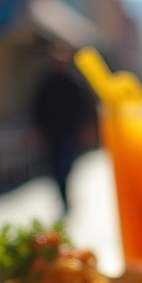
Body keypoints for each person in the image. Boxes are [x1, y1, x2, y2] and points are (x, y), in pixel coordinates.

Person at [32, 44, 96, 212]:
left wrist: (87, 128)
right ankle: (62, 197)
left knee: (67, 164)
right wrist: (38, 128)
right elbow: (38, 107)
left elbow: (84, 107)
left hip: (70, 132)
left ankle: (66, 194)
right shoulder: (47, 82)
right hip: (53, 132)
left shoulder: (74, 82)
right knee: (55, 167)